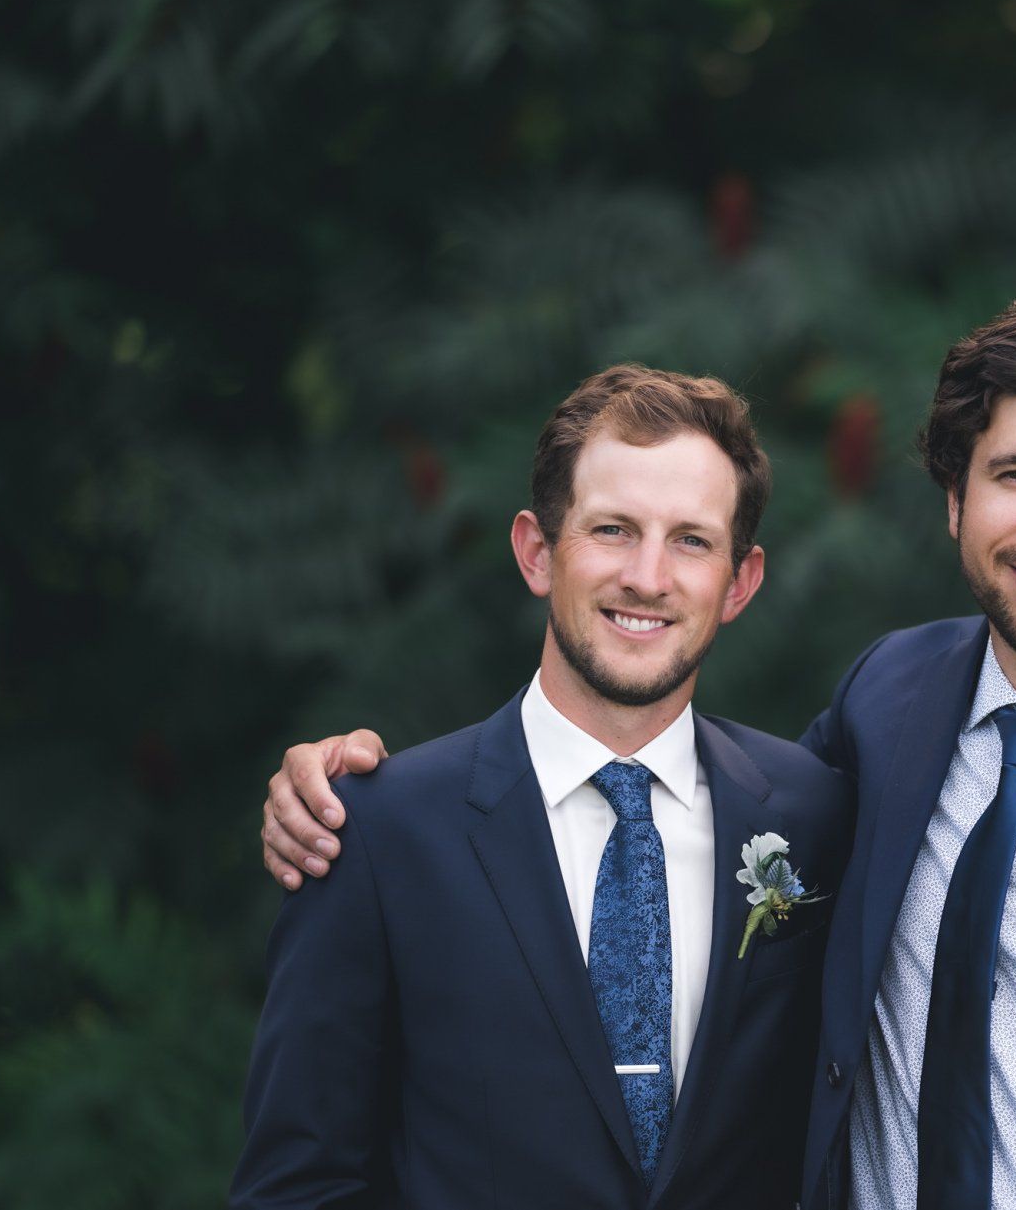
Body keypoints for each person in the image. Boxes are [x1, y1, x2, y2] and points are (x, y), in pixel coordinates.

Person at [260, 292, 1016, 1209]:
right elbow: (632, 794)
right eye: (1014, 475)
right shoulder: (885, 714)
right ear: (955, 501)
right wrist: (334, 783)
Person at [230, 366, 853, 1208]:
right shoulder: (375, 831)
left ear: (738, 582)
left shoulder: (813, 815)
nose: (647, 574)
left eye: (692, 540)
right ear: (535, 550)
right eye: (612, 529)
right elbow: (298, 1184)